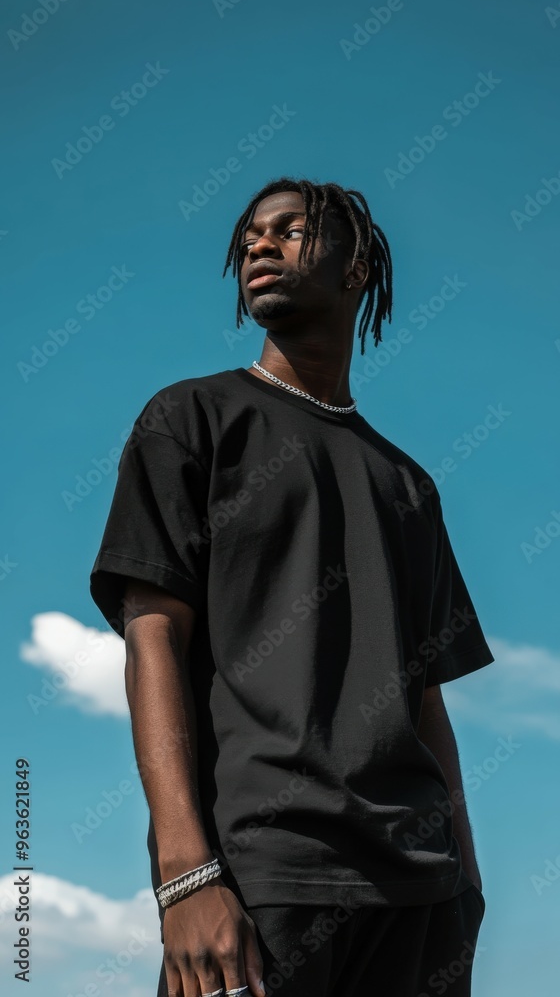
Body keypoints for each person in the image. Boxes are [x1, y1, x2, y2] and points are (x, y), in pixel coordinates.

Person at [90, 177, 494, 997]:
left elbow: (425, 704)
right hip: (263, 876)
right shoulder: (191, 420)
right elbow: (154, 634)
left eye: (290, 231)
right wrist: (184, 876)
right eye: (249, 239)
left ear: (355, 270)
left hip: (421, 900)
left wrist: (470, 886)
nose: (259, 247)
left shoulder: (409, 485)